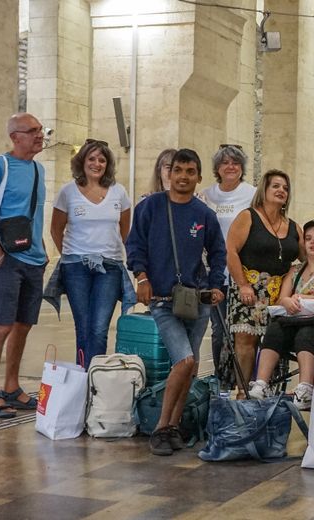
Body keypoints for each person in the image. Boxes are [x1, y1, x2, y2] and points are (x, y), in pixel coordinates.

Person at [126, 148, 226, 456]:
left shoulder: (205, 215)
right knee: (184, 360)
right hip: (162, 300)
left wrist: (215, 285)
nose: (183, 177)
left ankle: (175, 425)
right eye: (178, 170)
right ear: (169, 174)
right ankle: (160, 427)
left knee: (191, 366)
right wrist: (141, 278)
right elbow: (135, 245)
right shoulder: (151, 207)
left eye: (190, 171)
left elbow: (219, 253)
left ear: (199, 176)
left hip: (197, 301)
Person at [0, 113, 48, 418]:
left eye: (41, 130)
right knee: (2, 325)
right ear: (15, 137)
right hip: (8, 259)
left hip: (34, 259)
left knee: (22, 326)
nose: (40, 135)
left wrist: (42, 253)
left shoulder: (39, 169)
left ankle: (12, 387)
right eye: (33, 131)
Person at [47, 139, 133, 368]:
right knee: (83, 327)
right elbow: (56, 228)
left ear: (108, 164)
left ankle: (95, 379)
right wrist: (69, 253)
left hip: (110, 266)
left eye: (102, 160)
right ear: (82, 162)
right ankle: (83, 379)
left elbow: (126, 232)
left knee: (99, 328)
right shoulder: (68, 191)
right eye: (92, 159)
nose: (97, 163)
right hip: (76, 266)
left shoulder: (119, 192)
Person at [249, 219, 314, 409]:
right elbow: (282, 299)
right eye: (308, 238)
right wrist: (286, 301)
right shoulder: (295, 270)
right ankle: (261, 384)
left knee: (305, 335)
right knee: (275, 329)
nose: (313, 242)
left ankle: (304, 389)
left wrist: (301, 297)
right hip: (297, 318)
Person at [226, 169, 302, 390]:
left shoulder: (293, 226)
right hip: (249, 289)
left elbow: (308, 258)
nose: (281, 191)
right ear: (264, 190)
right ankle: (242, 393)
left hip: (279, 295)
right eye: (276, 186)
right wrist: (242, 284)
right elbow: (231, 251)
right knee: (246, 343)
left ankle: (266, 392)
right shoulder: (248, 216)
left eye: (285, 188)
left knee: (273, 343)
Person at [199, 145, 256, 377]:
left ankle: (243, 379)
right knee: (219, 330)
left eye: (235, 162)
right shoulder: (206, 195)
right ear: (217, 169)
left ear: (242, 168)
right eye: (225, 163)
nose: (230, 166)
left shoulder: (252, 194)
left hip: (243, 272)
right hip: (215, 271)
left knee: (243, 330)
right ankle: (220, 377)